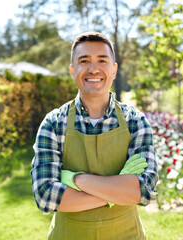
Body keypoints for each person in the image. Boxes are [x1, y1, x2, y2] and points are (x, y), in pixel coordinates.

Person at [30, 32, 158, 240]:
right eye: (84, 61)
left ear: (114, 70)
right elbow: (46, 196)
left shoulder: (135, 121)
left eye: (102, 60)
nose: (93, 69)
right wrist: (118, 190)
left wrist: (74, 179)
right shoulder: (53, 123)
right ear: (73, 70)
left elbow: (144, 191)